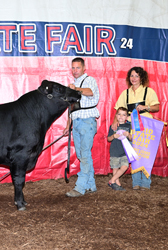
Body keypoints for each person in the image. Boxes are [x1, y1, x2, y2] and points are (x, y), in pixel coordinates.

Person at [112, 67, 159, 190]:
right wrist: (114, 123)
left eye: (136, 76)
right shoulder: (125, 93)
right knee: (134, 154)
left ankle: (146, 182)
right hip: (131, 128)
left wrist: (146, 107)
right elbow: (118, 109)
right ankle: (136, 182)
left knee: (145, 154)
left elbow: (156, 107)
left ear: (141, 78)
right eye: (131, 76)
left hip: (145, 128)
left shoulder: (148, 91)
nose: (133, 78)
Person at [63, 57, 100, 197]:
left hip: (87, 121)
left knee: (84, 154)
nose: (75, 70)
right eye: (73, 68)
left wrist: (76, 89)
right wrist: (68, 125)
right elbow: (71, 107)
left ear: (84, 68)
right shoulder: (73, 84)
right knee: (82, 155)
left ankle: (80, 187)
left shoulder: (89, 80)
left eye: (78, 67)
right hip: (77, 121)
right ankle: (91, 184)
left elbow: (91, 92)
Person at [107, 107, 132, 191]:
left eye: (124, 114)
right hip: (115, 150)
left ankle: (112, 180)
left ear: (127, 117)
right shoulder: (113, 126)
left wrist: (128, 134)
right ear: (116, 116)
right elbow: (108, 139)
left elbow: (132, 139)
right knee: (115, 168)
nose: (121, 116)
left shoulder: (129, 126)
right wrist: (113, 136)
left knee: (125, 167)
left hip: (125, 151)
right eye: (119, 114)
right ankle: (116, 184)